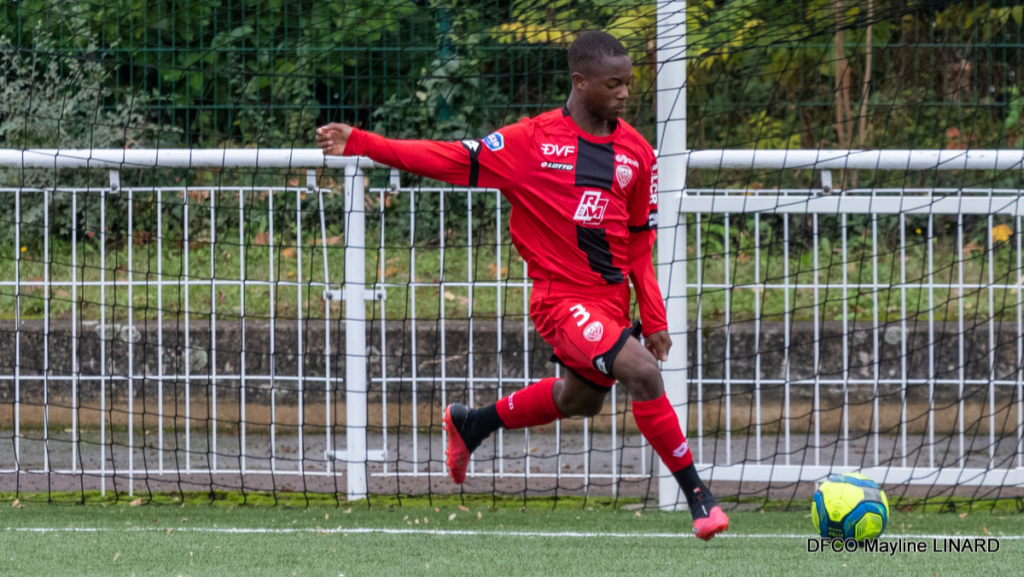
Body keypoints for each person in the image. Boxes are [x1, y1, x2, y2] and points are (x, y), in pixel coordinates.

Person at [316, 30, 729, 540]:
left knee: (582, 400)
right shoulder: (529, 142)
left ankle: (473, 423)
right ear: (581, 82)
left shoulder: (638, 154)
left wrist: (656, 317)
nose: (625, 93)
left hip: (611, 308)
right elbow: (445, 157)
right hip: (561, 304)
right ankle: (699, 497)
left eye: (629, 83)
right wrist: (361, 143)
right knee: (642, 373)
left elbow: (641, 244)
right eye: (614, 84)